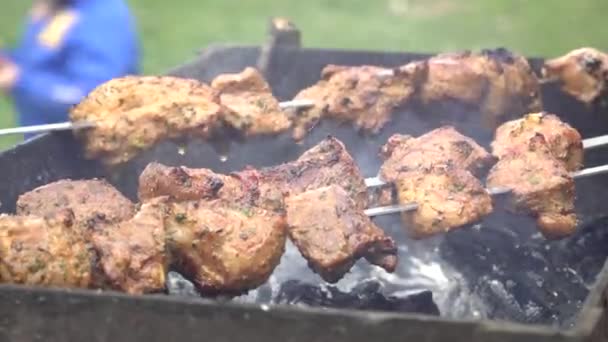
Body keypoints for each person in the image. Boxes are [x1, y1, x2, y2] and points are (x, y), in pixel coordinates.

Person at [0, 0, 140, 137]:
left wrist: (20, 81)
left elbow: (96, 98)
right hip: (44, 146)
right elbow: (38, 63)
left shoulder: (104, 15)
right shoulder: (57, 7)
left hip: (88, 148)